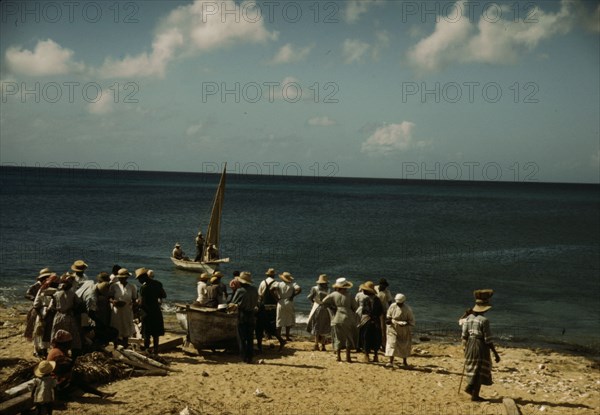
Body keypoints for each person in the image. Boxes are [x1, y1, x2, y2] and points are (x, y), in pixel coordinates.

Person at [47, 330, 115, 400]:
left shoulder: (57, 350)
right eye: (69, 342)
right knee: (77, 376)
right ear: (64, 343)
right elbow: (65, 368)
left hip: (57, 379)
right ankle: (62, 395)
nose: (71, 344)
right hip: (55, 383)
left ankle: (101, 394)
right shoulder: (58, 354)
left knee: (77, 376)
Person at [461, 289, 500, 401]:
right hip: (480, 345)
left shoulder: (468, 319)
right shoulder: (484, 320)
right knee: (479, 369)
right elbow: (488, 339)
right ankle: (475, 395)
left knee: (473, 367)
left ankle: (470, 387)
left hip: (470, 345)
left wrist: (465, 347)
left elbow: (464, 335)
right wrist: (495, 353)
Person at [322, 278, 358, 363]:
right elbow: (355, 307)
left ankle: (338, 356)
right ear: (345, 287)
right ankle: (348, 357)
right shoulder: (350, 295)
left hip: (337, 317)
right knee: (348, 337)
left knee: (337, 337)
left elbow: (323, 301)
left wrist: (332, 306)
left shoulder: (334, 294)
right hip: (348, 317)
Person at [229, 272, 259, 363]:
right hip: (252, 314)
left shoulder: (240, 291)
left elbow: (232, 304)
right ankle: (250, 357)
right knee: (250, 338)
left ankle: (244, 358)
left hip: (242, 315)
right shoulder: (254, 289)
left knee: (241, 338)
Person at [135, 268, 166, 354]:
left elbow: (142, 303)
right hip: (156, 311)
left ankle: (147, 350)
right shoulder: (158, 284)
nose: (139, 281)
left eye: (139, 279)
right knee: (156, 333)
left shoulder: (144, 288)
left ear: (143, 277)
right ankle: (156, 351)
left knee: (146, 333)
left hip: (147, 313)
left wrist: (137, 303)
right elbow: (164, 295)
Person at [49, 274, 82, 356]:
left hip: (58, 316)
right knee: (72, 336)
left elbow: (51, 307)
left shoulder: (56, 294)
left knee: (58, 335)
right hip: (69, 316)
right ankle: (71, 353)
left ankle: (57, 352)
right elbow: (78, 304)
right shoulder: (73, 294)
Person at [257, 268, 285, 351]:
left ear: (267, 275)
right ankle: (272, 334)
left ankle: (266, 335)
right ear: (273, 275)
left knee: (263, 320)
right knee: (272, 321)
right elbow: (278, 294)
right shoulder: (276, 283)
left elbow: (260, 294)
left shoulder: (262, 282)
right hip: (273, 305)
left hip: (264, 304)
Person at [31, 274, 59, 358]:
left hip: (41, 312)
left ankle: (38, 351)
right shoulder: (56, 291)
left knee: (39, 332)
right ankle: (45, 351)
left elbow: (35, 305)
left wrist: (40, 315)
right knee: (48, 333)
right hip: (51, 313)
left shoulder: (41, 290)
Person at [109, 268, 137, 348]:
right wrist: (114, 302)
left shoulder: (132, 287)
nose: (122, 278)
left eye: (124, 277)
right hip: (116, 311)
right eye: (121, 277)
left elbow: (134, 299)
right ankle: (115, 347)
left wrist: (132, 304)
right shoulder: (114, 286)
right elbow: (110, 297)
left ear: (127, 277)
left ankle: (124, 347)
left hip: (127, 310)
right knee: (116, 329)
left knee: (126, 329)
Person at [385, 293, 415, 369]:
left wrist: (405, 323)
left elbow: (411, 320)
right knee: (392, 343)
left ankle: (404, 361)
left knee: (404, 344)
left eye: (400, 303)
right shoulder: (392, 306)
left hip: (403, 330)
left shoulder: (407, 309)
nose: (398, 304)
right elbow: (388, 316)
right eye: (398, 302)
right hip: (393, 328)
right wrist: (390, 321)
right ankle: (390, 361)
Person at [24, 268, 53, 346]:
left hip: (45, 307)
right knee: (34, 323)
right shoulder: (36, 285)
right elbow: (27, 294)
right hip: (37, 306)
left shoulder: (48, 285)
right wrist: (34, 299)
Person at [270, 272, 301, 342]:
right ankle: (287, 336)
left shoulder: (278, 284)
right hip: (289, 301)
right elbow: (299, 289)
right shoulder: (293, 284)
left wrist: (276, 298)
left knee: (279, 319)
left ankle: (278, 336)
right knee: (288, 319)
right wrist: (293, 296)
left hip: (281, 301)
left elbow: (271, 289)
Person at [357, 281, 383, 363]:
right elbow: (380, 311)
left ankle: (366, 355)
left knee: (365, 337)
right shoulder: (377, 300)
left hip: (367, 321)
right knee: (376, 337)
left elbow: (365, 311)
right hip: (376, 321)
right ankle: (375, 355)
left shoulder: (366, 300)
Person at [306, 274, 331, 351]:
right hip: (326, 309)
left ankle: (316, 344)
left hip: (317, 308)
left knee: (316, 326)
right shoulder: (328, 289)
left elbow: (309, 297)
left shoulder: (315, 288)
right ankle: (323, 345)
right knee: (324, 326)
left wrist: (313, 302)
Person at [375, 278, 392, 349]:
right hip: (374, 309)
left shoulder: (387, 292)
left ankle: (383, 344)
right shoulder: (375, 288)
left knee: (382, 328)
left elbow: (390, 302)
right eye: (383, 286)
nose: (384, 287)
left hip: (382, 311)